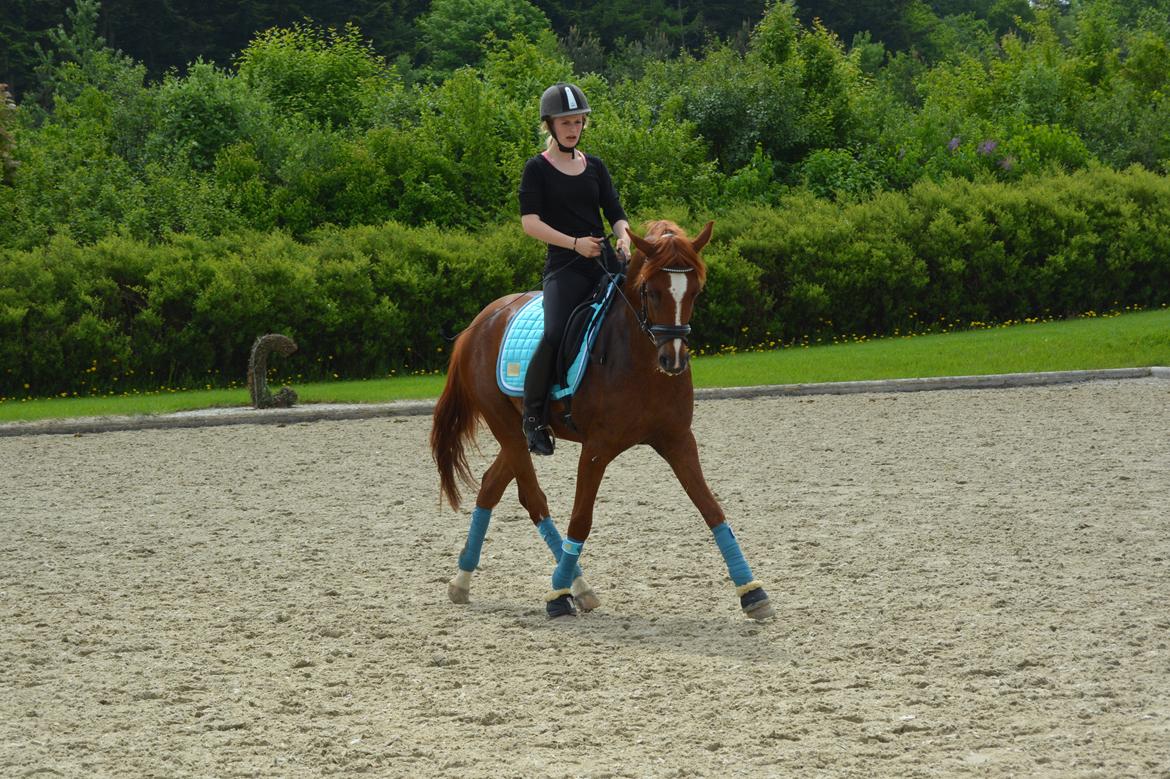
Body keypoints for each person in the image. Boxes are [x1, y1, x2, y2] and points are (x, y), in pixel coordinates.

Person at [518, 82, 631, 456]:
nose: (573, 129)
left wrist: (625, 237)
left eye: (578, 122)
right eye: (566, 122)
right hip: (565, 266)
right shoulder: (537, 169)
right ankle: (533, 416)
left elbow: (615, 213)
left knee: (644, 310)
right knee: (553, 333)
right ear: (549, 125)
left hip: (603, 261)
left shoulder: (595, 166)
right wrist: (574, 243)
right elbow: (530, 223)